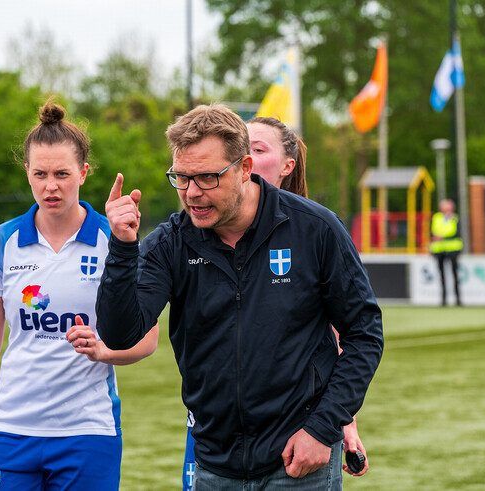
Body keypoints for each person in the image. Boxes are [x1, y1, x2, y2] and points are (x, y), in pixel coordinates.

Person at [97, 104, 383, 489]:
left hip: (300, 461)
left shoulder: (314, 228)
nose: (192, 193)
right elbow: (120, 334)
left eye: (207, 178)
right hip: (214, 464)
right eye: (181, 178)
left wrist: (323, 427)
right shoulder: (171, 241)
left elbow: (364, 333)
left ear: (244, 168)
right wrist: (122, 247)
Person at [0, 101, 157, 490]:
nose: (50, 185)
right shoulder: (1, 241)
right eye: (39, 173)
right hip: (11, 428)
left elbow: (148, 338)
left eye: (62, 173)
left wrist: (104, 351)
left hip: (89, 431)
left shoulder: (115, 240)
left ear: (84, 173)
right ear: (27, 172)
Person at [179, 117, 369, 489]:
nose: (244, 156)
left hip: (300, 439)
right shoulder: (194, 232)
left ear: (287, 166)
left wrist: (336, 421)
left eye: (256, 149)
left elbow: (344, 335)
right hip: (218, 447)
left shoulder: (314, 228)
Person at [430, 198, 463, 306]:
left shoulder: (455, 218)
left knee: (455, 275)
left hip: (453, 250)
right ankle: (443, 300)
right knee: (442, 276)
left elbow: (456, 233)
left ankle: (458, 300)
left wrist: (442, 237)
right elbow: (433, 231)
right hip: (440, 250)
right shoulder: (437, 217)